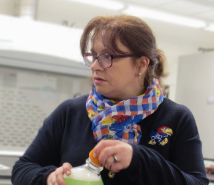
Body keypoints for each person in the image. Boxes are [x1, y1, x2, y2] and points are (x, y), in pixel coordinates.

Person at [12, 15, 208, 185]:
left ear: (140, 64)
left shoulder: (176, 118)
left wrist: (139, 158)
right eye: (94, 56)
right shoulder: (70, 112)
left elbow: (197, 182)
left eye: (107, 57)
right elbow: (22, 168)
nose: (95, 66)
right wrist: (48, 177)